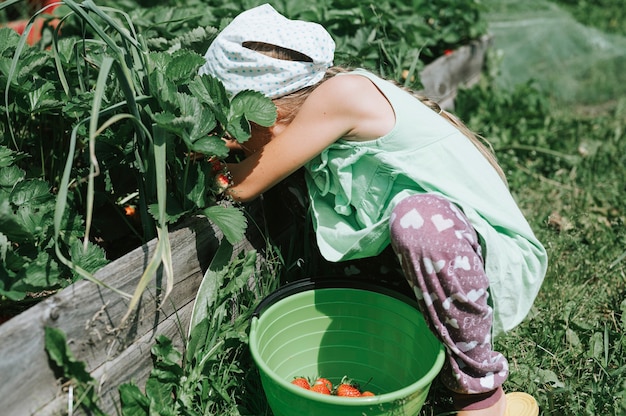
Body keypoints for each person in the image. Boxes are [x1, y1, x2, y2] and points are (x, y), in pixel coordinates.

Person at [199, 4, 547, 416]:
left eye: (232, 121)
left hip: (479, 254)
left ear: (268, 113)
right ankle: (410, 351)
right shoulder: (322, 106)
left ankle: (481, 397)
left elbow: (241, 185)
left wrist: (193, 152)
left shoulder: (343, 95)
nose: (226, 135)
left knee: (419, 223)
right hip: (435, 256)